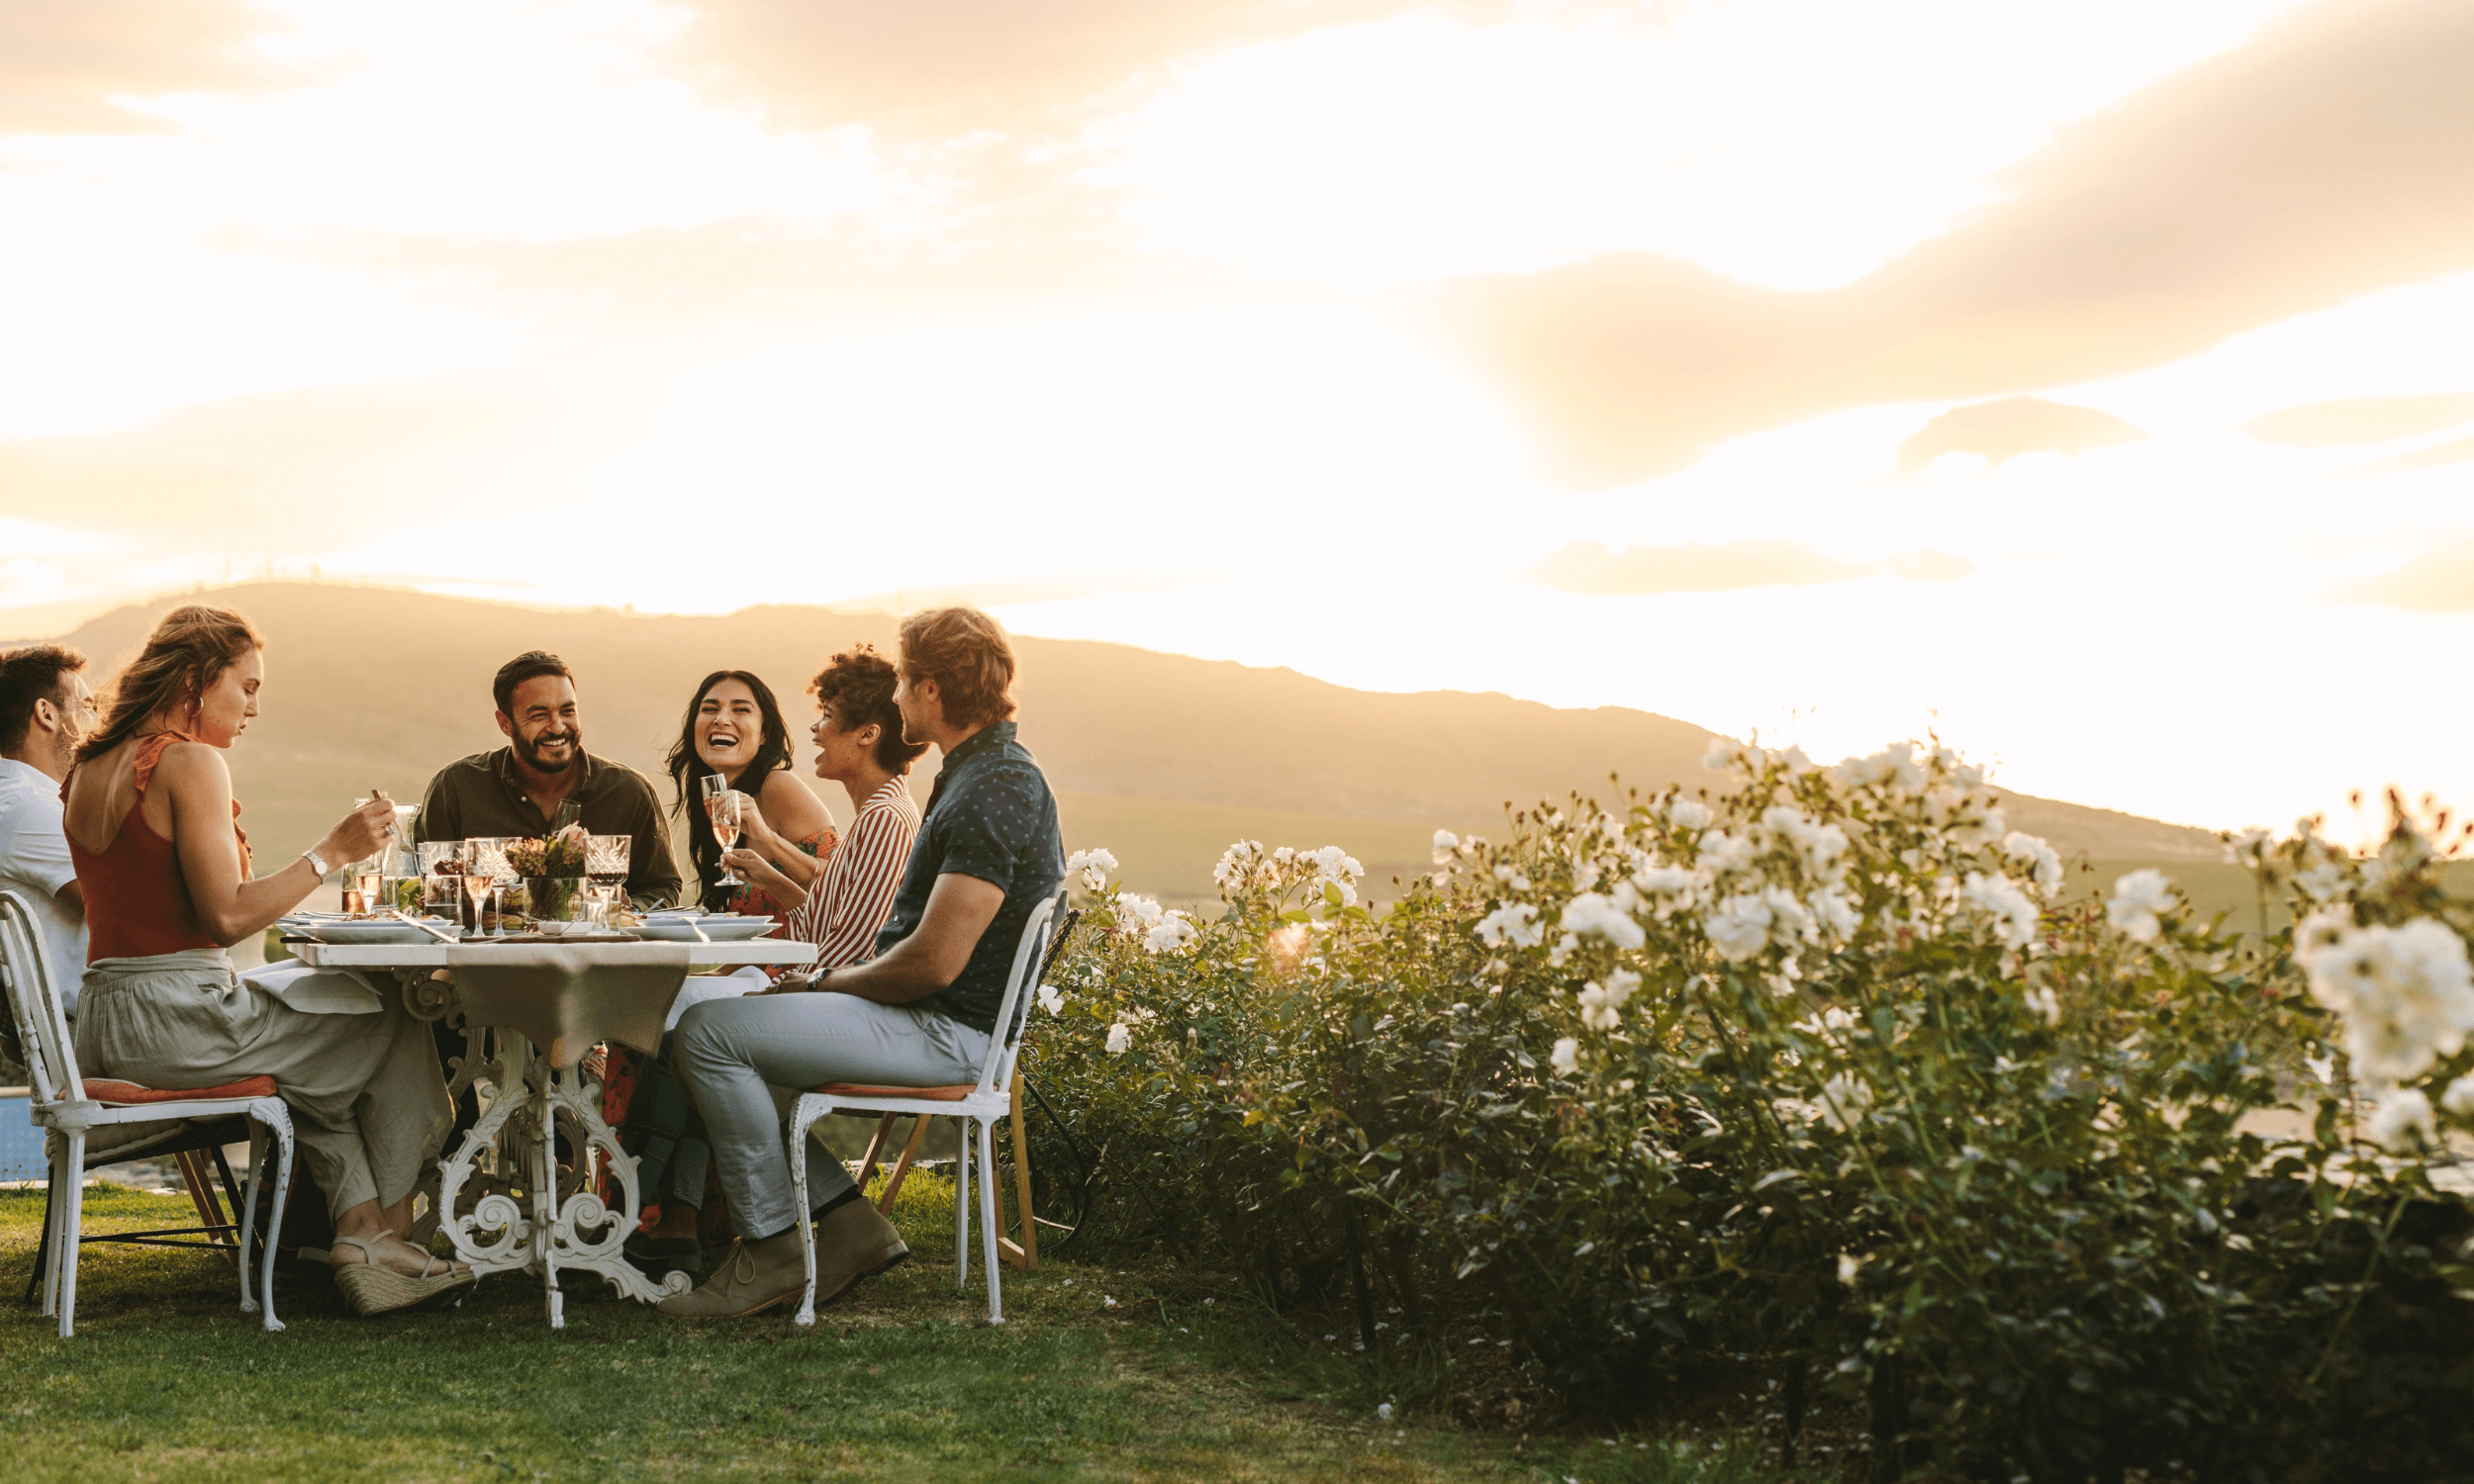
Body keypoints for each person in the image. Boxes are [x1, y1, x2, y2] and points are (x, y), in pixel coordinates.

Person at [59, 605, 469, 1316]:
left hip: (106, 1020)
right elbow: (227, 915)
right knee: (390, 1015)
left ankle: (360, 1228)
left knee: (318, 1044)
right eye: (245, 687)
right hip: (175, 1024)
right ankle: (393, 1229)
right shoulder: (188, 762)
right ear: (195, 681)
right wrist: (332, 853)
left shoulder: (90, 765)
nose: (255, 705)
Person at [660, 606, 1063, 1320]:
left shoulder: (995, 786)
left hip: (947, 1032)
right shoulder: (978, 774)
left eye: (906, 681)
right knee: (743, 1039)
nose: (898, 695)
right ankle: (848, 1223)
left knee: (707, 1035)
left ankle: (773, 1247)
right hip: (929, 1019)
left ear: (933, 690)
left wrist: (827, 982)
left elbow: (934, 963)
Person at [617, 647, 927, 1280]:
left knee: (693, 1034)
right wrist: (765, 867)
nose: (814, 730)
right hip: (825, 994)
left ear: (865, 735)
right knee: (687, 1027)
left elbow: (853, 945)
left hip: (853, 1014)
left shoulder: (886, 819)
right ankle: (666, 1214)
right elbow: (826, 914)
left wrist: (784, 985)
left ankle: (645, 1209)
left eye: (828, 718)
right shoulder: (875, 816)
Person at [412, 651, 682, 908]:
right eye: (539, 715)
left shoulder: (628, 791)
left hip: (596, 953)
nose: (557, 727)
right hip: (486, 954)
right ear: (505, 723)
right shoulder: (455, 787)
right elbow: (429, 889)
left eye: (567, 711)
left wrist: (629, 909)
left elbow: (663, 887)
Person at [663, 670, 833, 914]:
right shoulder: (710, 802)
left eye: (740, 710)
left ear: (764, 733)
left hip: (805, 951)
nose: (721, 719)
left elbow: (841, 887)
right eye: (710, 709)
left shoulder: (778, 787)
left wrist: (765, 836)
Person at [0, 645, 94, 1020]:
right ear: (46, 713)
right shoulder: (27, 806)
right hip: (86, 1023)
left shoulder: (26, 797)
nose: (95, 724)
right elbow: (115, 902)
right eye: (85, 708)